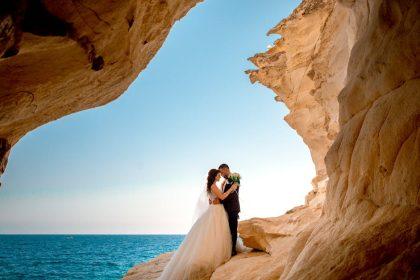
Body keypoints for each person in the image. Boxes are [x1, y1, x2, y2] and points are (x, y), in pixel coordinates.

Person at [158, 169, 238, 280]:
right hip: (216, 211)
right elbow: (222, 197)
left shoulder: (213, 185)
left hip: (216, 209)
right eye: (219, 175)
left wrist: (224, 184)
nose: (220, 177)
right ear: (214, 176)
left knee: (216, 233)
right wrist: (232, 189)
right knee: (215, 232)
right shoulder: (213, 186)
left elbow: (213, 198)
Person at [218, 163, 240, 256]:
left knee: (233, 229)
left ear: (226, 169)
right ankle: (228, 247)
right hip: (225, 208)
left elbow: (234, 190)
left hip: (233, 207)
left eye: (222, 172)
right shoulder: (224, 182)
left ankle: (233, 249)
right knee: (227, 229)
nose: (221, 175)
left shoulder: (235, 177)